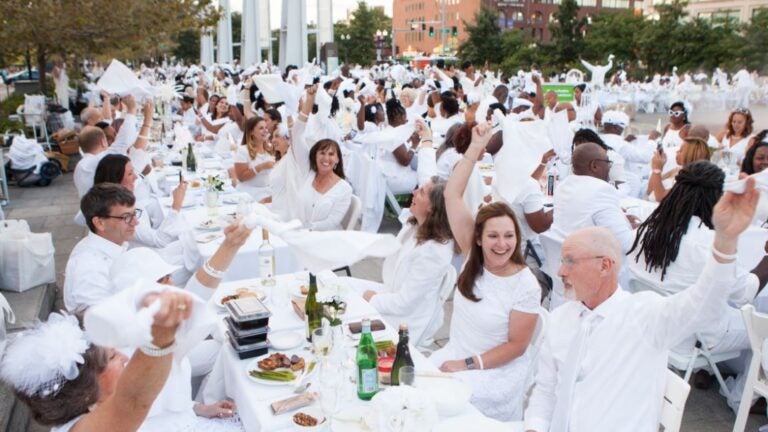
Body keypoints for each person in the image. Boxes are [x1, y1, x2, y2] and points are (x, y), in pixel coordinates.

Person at [524, 175, 760, 431]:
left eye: (569, 261)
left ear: (605, 266)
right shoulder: (561, 318)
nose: (560, 272)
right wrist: (534, 427)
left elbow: (704, 303)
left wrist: (725, 242)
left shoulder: (645, 316)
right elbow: (545, 390)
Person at [432, 122, 540, 421]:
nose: (502, 244)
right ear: (478, 238)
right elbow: (452, 195)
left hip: (493, 371)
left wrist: (466, 364)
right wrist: (475, 149)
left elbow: (517, 347)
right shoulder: (472, 255)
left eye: (509, 235)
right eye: (493, 236)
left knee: (440, 404)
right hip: (457, 353)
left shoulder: (525, 284)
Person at [0, 290, 210, 432]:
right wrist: (162, 333)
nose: (125, 357)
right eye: (112, 356)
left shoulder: (92, 413)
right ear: (85, 387)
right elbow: (135, 400)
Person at [628, 161, 767, 361]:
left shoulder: (645, 230)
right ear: (717, 197)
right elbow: (745, 294)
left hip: (650, 324)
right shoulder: (708, 244)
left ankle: (707, 373)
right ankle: (743, 392)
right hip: (691, 338)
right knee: (760, 325)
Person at [358, 175, 455, 346]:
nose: (414, 191)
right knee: (340, 286)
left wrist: (371, 299)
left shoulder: (435, 252)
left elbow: (405, 303)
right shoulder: (415, 225)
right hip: (391, 293)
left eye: (421, 192)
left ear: (433, 207)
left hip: (404, 320)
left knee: (347, 306)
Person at [276, 85, 353, 230]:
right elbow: (297, 135)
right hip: (298, 233)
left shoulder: (344, 188)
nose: (326, 158)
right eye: (322, 153)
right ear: (314, 156)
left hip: (323, 241)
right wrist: (309, 101)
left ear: (337, 159)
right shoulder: (308, 173)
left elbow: (332, 222)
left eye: (331, 154)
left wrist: (304, 230)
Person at [64, 184, 137, 312]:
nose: (135, 222)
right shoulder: (90, 266)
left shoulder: (113, 242)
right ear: (99, 223)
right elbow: (99, 320)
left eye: (134, 214)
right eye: (126, 217)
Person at [93, 154, 188, 249]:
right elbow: (161, 241)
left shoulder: (119, 200)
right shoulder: (121, 212)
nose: (136, 177)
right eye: (130, 174)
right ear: (116, 180)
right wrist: (176, 204)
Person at [552, 142, 634, 252]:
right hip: (591, 262)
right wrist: (638, 228)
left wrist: (622, 218)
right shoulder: (602, 189)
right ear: (594, 165)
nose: (609, 167)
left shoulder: (563, 186)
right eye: (608, 162)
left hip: (561, 259)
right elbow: (625, 244)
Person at [73, 96, 139, 197]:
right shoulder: (96, 161)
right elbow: (123, 142)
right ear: (103, 142)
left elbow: (108, 122)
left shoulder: (81, 165)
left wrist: (106, 98)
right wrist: (132, 110)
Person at [648, 124, 711, 202]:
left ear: (689, 155)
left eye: (681, 151)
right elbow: (650, 190)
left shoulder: (690, 178)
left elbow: (661, 197)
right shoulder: (677, 170)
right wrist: (657, 169)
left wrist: (657, 169)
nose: (677, 151)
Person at [233, 116, 276, 201]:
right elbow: (241, 177)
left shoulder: (271, 148)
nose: (265, 131)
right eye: (261, 128)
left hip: (268, 190)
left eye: (266, 128)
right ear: (252, 132)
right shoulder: (243, 150)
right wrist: (261, 167)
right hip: (249, 191)